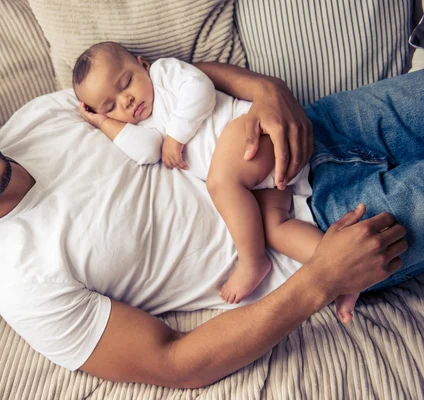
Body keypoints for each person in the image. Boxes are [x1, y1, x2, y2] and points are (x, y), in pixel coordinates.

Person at [0, 61, 418, 389]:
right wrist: (320, 279)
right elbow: (175, 363)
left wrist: (265, 91)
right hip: (321, 235)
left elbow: (166, 79)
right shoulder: (23, 286)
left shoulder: (41, 117)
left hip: (308, 130)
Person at [71, 42, 358, 321]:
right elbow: (145, 152)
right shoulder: (144, 125)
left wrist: (177, 137)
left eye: (126, 83)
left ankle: (252, 262)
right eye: (112, 105)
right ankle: (343, 272)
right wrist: (104, 123)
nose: (127, 100)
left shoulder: (163, 75)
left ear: (142, 64)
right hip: (255, 179)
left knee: (220, 185)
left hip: (252, 133)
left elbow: (201, 89)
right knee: (273, 228)